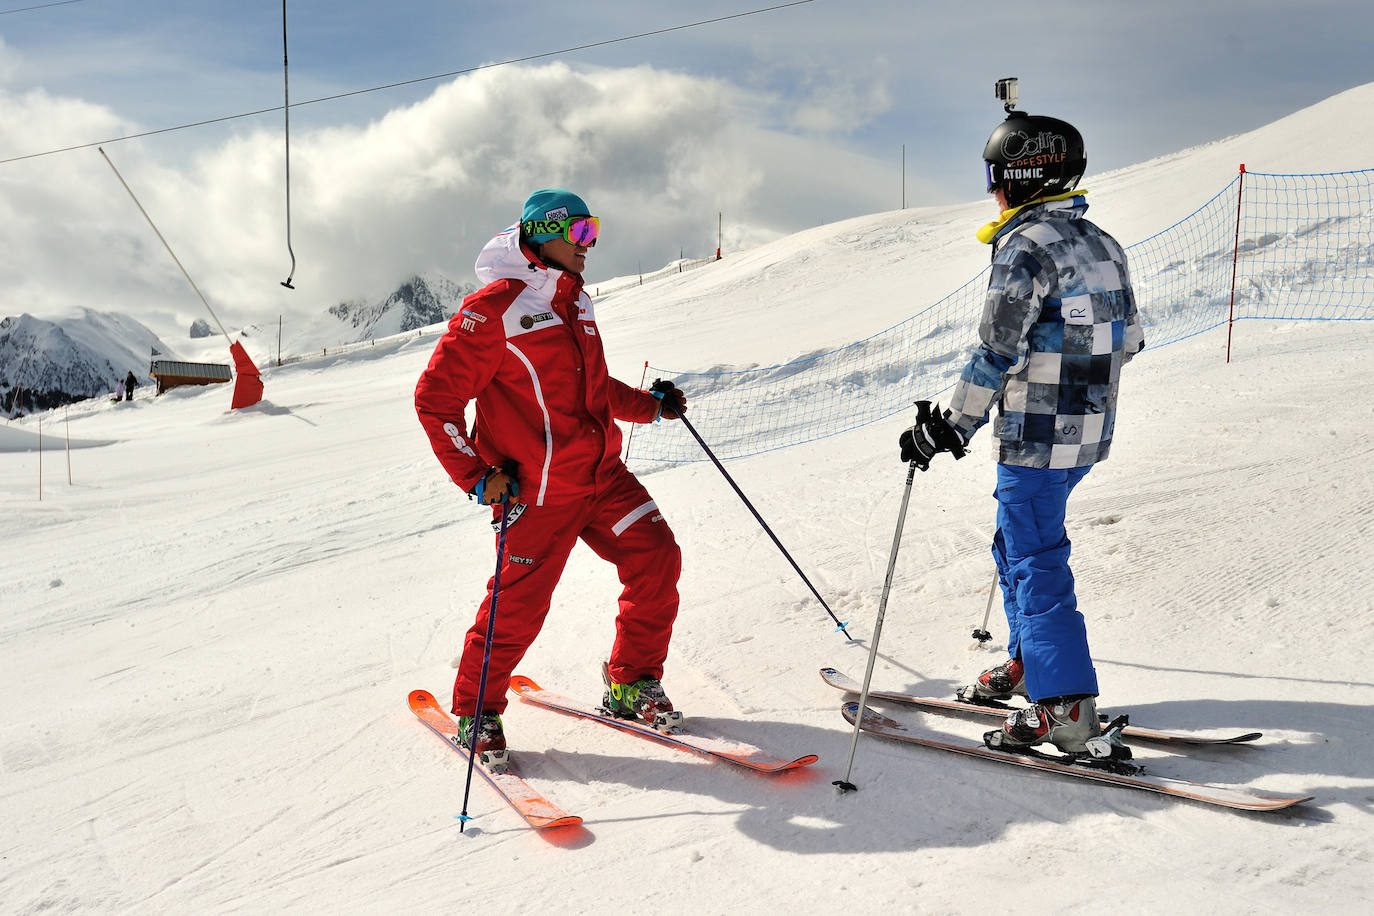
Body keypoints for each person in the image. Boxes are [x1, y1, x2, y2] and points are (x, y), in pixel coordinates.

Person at [898, 102, 1144, 755]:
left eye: (996, 175)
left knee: (1035, 559)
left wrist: (953, 426)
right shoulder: (1103, 242)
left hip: (1037, 437)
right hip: (1089, 432)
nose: (992, 189)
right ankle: (1030, 663)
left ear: (1024, 176)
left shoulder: (1026, 248)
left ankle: (1063, 707)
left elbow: (997, 351)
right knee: (1017, 546)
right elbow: (1133, 338)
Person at [415, 188, 688, 770]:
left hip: (602, 477)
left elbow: (595, 390)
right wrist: (476, 473)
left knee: (658, 556)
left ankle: (630, 683)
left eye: (595, 232)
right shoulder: (492, 310)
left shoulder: (576, 303)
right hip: (536, 494)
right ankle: (477, 712)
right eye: (582, 233)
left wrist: (651, 407)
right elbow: (436, 399)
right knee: (518, 609)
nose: (591, 245)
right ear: (545, 235)